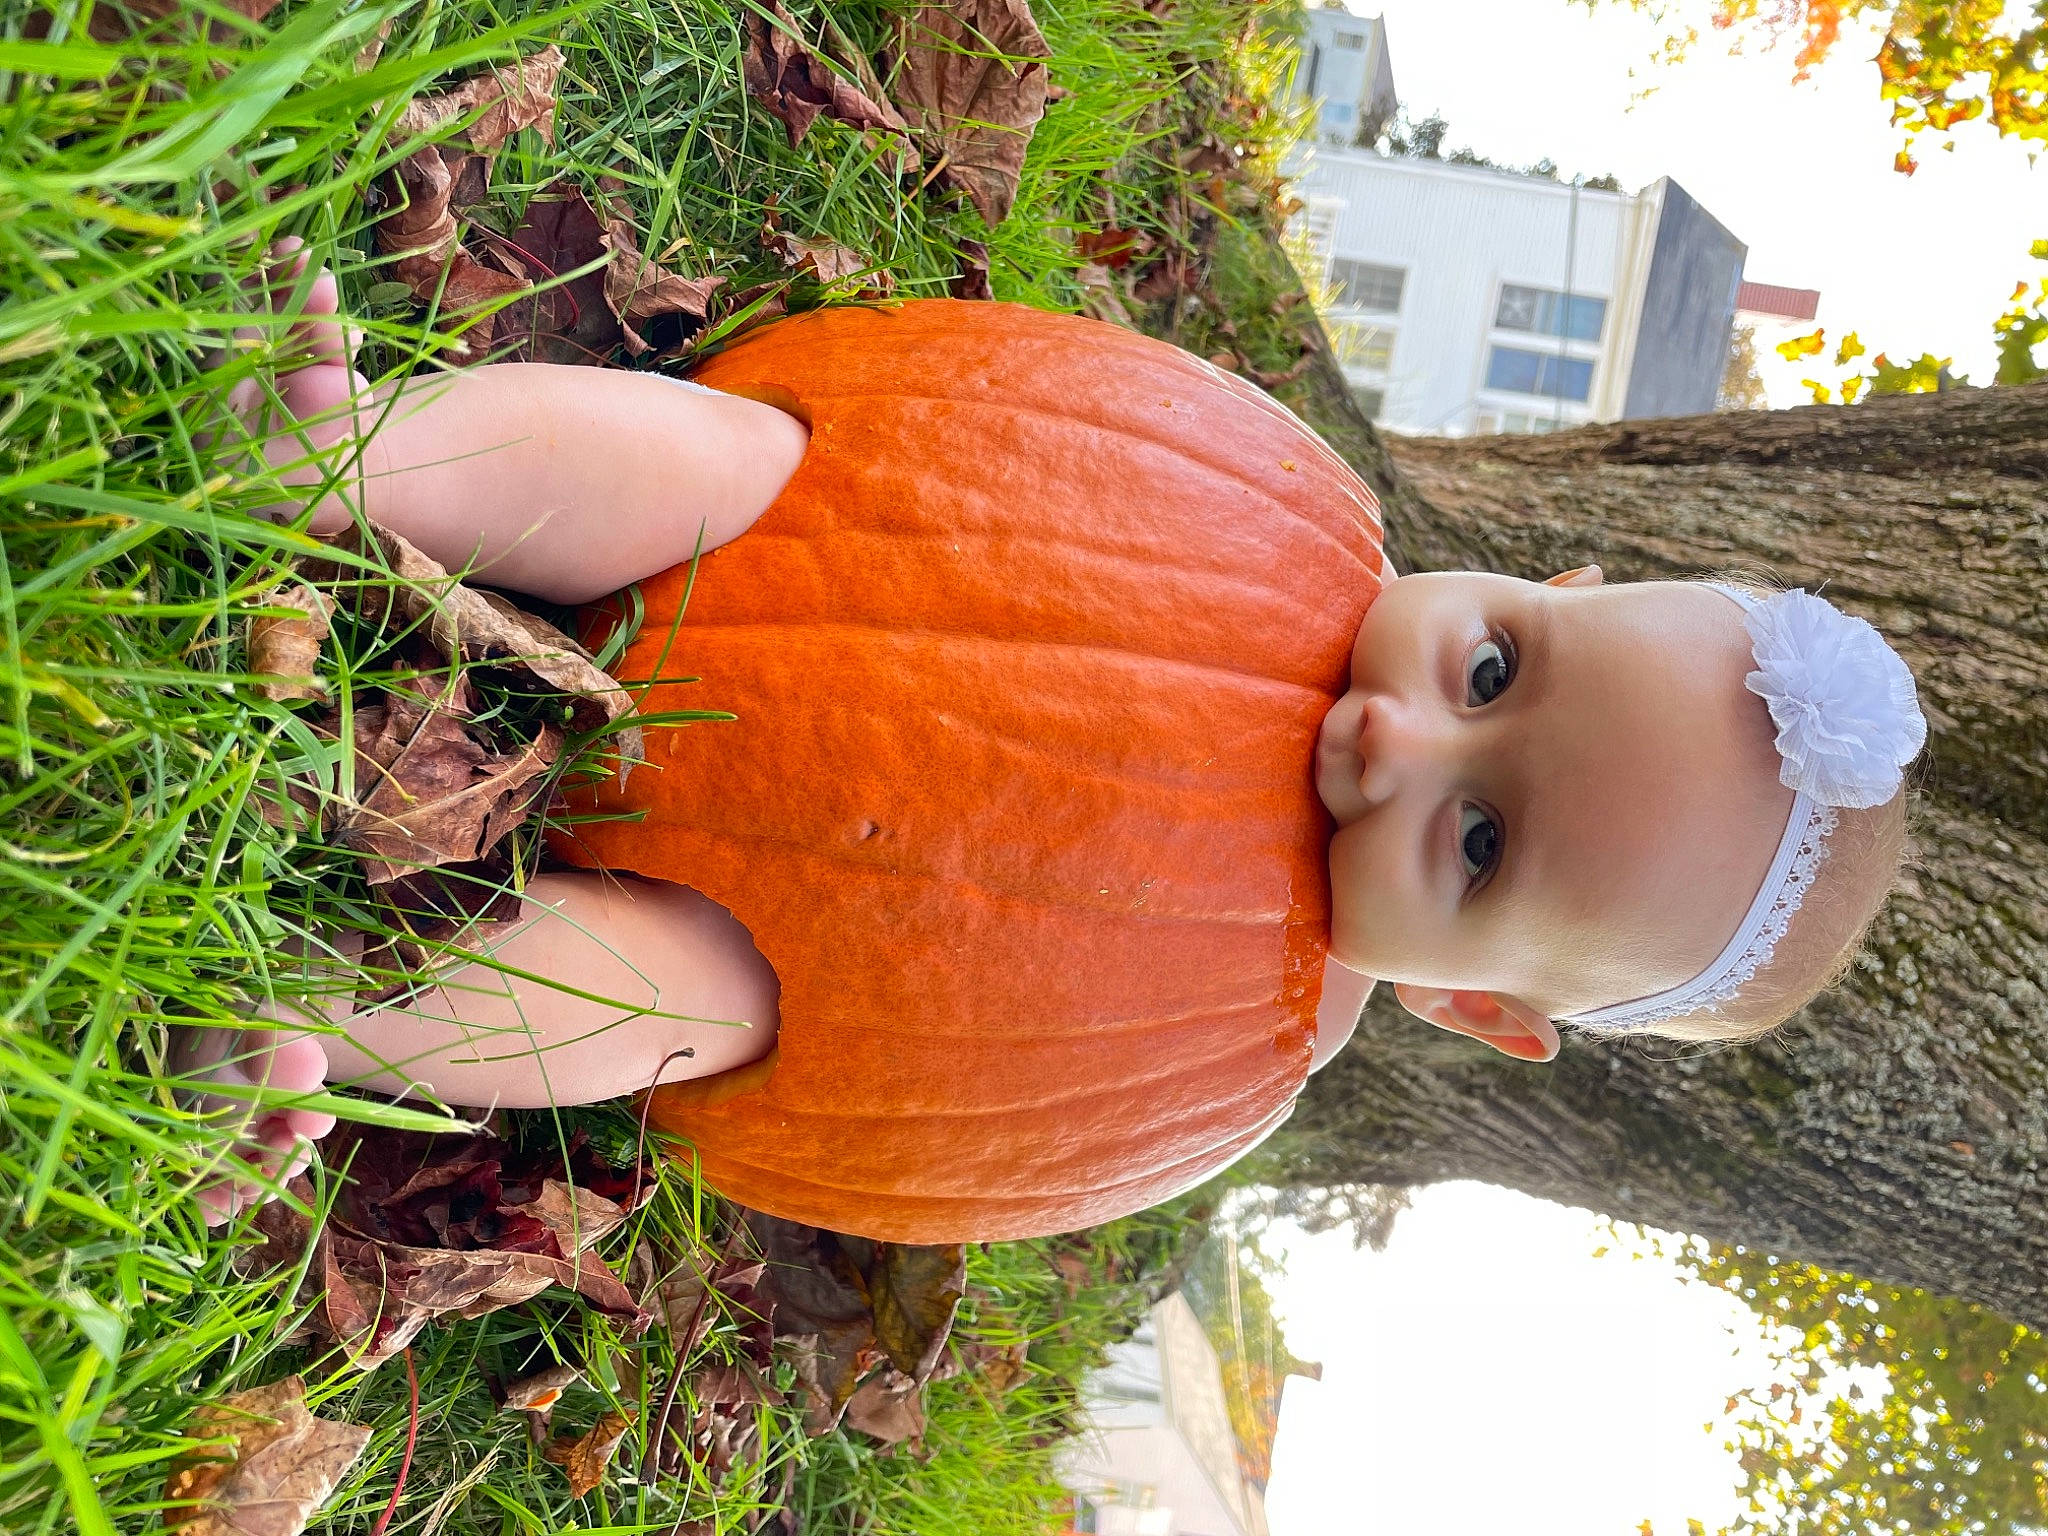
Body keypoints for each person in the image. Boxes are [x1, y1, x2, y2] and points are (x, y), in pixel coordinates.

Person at [182, 251, 1925, 1223]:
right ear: (1554, 576)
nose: (1394, 744)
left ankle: (325, 1009)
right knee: (717, 464)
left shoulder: (1226, 1068)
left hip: (796, 929)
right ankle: (354, 460)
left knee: (686, 1004)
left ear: (1480, 1010)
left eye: (1478, 848)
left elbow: (935, 1114)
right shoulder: (1285, 516)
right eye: (1493, 672)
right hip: (784, 558)